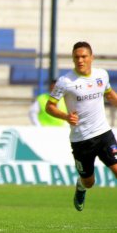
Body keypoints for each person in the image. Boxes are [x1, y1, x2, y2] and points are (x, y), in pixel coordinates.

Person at [45, 41, 117, 212]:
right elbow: (49, 106)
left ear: (91, 57)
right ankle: (81, 186)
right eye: (77, 57)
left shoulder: (102, 75)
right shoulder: (65, 81)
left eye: (84, 56)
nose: (80, 60)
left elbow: (110, 95)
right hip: (81, 140)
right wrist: (65, 116)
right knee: (89, 182)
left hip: (104, 133)